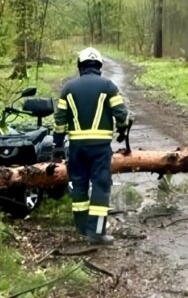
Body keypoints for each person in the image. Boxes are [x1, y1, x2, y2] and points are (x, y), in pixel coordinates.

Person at [53, 47, 130, 245]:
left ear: (80, 66)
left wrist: (58, 146)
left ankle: (81, 229)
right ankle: (96, 232)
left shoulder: (67, 89)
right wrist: (122, 129)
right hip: (100, 148)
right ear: (99, 66)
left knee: (78, 185)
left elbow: (60, 121)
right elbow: (121, 115)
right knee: (100, 185)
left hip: (76, 148)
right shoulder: (109, 86)